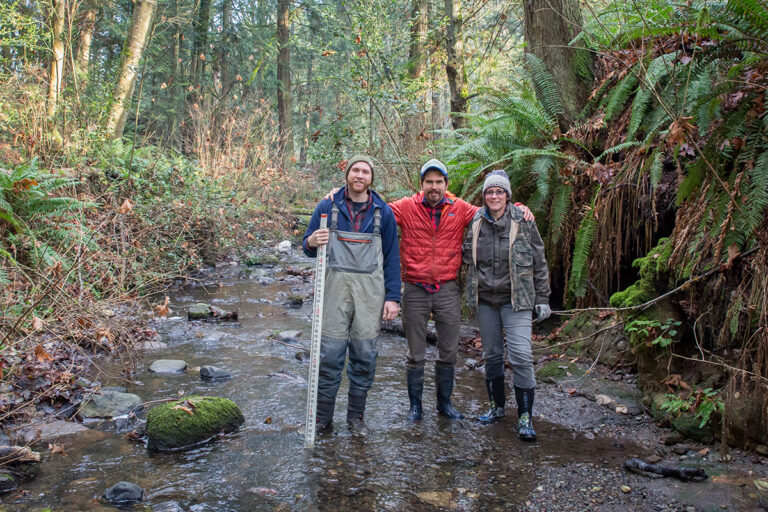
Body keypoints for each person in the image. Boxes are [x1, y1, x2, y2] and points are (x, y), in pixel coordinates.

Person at [325, 158, 532, 422]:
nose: (434, 187)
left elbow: (492, 210)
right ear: (421, 184)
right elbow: (372, 210)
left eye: (438, 182)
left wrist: (517, 207)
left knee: (449, 351)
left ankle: (444, 405)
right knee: (415, 352)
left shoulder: (461, 209)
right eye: (429, 182)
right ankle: (416, 407)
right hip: (414, 289)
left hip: (447, 288)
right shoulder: (405, 207)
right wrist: (338, 196)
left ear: (447, 184)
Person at [302, 155, 401, 434]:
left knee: (365, 355)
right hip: (334, 292)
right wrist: (311, 240)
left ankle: (356, 418)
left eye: (365, 172)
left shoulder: (384, 213)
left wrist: (393, 297)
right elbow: (307, 247)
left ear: (371, 178)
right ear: (347, 175)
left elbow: (392, 258)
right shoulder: (327, 206)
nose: (359, 175)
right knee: (330, 355)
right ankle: (322, 418)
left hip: (370, 295)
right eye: (355, 170)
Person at [462, 170, 551, 441]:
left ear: (508, 195)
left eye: (500, 191)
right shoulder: (475, 220)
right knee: (491, 356)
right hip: (485, 300)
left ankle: (525, 417)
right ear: (484, 195)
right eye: (490, 191)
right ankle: (496, 408)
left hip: (517, 301)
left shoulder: (523, 220)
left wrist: (543, 298)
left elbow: (539, 260)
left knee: (522, 356)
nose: (494, 196)